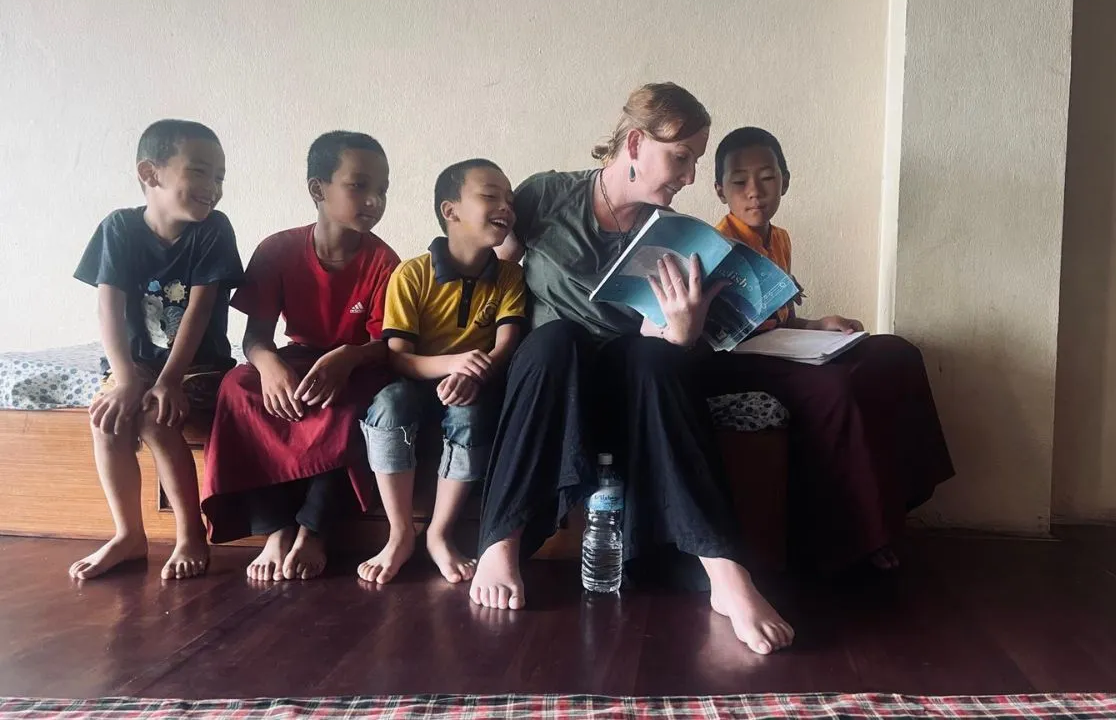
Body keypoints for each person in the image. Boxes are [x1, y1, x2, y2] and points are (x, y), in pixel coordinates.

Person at [470, 83, 795, 656]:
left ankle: (725, 574)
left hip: (629, 379)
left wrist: (682, 334)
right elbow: (493, 270)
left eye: (696, 159)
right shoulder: (546, 195)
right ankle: (501, 543)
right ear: (637, 144)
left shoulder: (672, 235)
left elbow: (677, 343)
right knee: (557, 340)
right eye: (683, 156)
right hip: (552, 378)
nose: (692, 175)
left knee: (656, 357)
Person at [705, 126, 955, 572]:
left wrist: (818, 325)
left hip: (778, 347)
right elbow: (725, 333)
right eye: (739, 181)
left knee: (895, 353)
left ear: (785, 179)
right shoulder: (717, 247)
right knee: (835, 386)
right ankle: (858, 540)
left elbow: (777, 318)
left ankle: (901, 497)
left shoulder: (778, 238)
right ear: (720, 190)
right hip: (733, 362)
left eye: (766, 177)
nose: (754, 192)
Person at [201, 131, 399, 582]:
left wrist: (347, 357)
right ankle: (276, 529)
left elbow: (385, 345)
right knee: (237, 388)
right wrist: (269, 367)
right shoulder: (278, 250)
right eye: (359, 185)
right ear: (318, 189)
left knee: (350, 406)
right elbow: (255, 338)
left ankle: (314, 529)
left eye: (383, 189)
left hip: (356, 365)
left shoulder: (384, 262)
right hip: (296, 357)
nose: (374, 200)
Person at [70, 119, 243, 580]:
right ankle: (129, 534)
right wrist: (124, 377)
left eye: (220, 177)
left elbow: (200, 312)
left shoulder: (212, 231)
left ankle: (190, 534)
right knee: (107, 419)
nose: (214, 188)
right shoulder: (119, 228)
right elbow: (108, 306)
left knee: (155, 416)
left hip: (197, 364)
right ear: (151, 173)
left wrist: (169, 380)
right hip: (136, 362)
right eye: (201, 173)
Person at [358, 159, 526, 586]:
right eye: (490, 195)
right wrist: (452, 363)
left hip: (475, 385)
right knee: (388, 404)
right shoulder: (411, 274)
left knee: (471, 416)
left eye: (509, 198)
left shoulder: (509, 276)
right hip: (415, 383)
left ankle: (439, 532)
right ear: (450, 211)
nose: (505, 205)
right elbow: (398, 356)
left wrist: (474, 374)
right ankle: (399, 533)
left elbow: (506, 343)